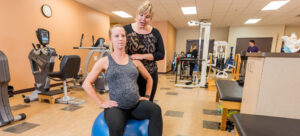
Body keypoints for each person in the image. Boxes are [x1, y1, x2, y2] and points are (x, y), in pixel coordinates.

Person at [82, 25, 163, 136]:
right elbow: (86, 84)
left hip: (136, 105)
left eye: (123, 35)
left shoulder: (134, 61)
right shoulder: (104, 61)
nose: (120, 38)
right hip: (116, 107)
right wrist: (101, 102)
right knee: (116, 128)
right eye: (116, 36)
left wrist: (147, 96)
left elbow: (149, 78)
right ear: (111, 39)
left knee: (156, 110)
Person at [124, 1, 165, 101]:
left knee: (147, 102)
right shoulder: (126, 30)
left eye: (147, 17)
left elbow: (161, 54)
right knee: (131, 102)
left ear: (150, 19)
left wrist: (141, 56)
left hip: (150, 74)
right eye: (141, 15)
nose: (143, 19)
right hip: (131, 74)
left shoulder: (155, 33)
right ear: (137, 15)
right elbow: (121, 52)